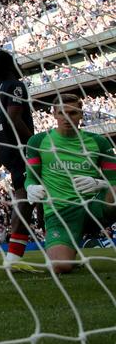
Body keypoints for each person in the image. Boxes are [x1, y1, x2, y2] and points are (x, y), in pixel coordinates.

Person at [24, 94, 115, 274]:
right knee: (60, 266)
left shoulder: (99, 142)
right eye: (62, 113)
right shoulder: (37, 142)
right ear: (54, 114)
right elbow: (31, 177)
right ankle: (71, 246)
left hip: (94, 207)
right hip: (60, 213)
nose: (67, 118)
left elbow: (114, 178)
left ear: (81, 114)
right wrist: (30, 188)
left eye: (72, 113)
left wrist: (100, 184)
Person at [0, 49, 41, 272]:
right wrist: (36, 143)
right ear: (9, 65)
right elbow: (13, 116)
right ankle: (14, 256)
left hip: (5, 147)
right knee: (26, 197)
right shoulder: (14, 85)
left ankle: (19, 254)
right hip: (21, 147)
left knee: (31, 194)